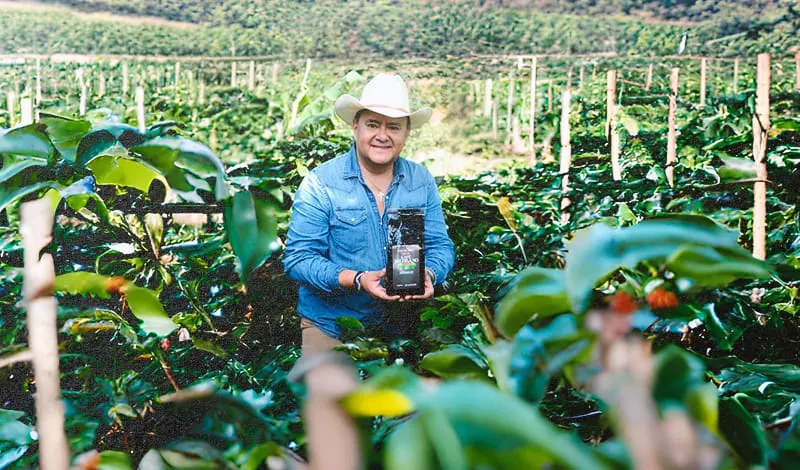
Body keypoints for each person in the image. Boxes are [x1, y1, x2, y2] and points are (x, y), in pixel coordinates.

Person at [283, 73, 456, 355]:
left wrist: (430, 274)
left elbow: (440, 246)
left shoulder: (421, 180)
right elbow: (299, 259)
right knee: (331, 396)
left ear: (407, 133)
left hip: (402, 328)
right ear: (355, 126)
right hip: (331, 326)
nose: (382, 135)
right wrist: (358, 279)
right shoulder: (320, 183)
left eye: (394, 127)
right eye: (373, 124)